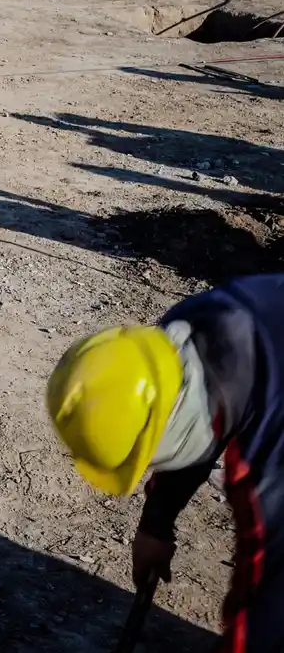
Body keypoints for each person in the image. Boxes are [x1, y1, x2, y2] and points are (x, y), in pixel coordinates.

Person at [46, 274, 284, 650]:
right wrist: (156, 523)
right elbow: (188, 414)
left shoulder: (268, 468)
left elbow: (271, 601)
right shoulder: (179, 335)